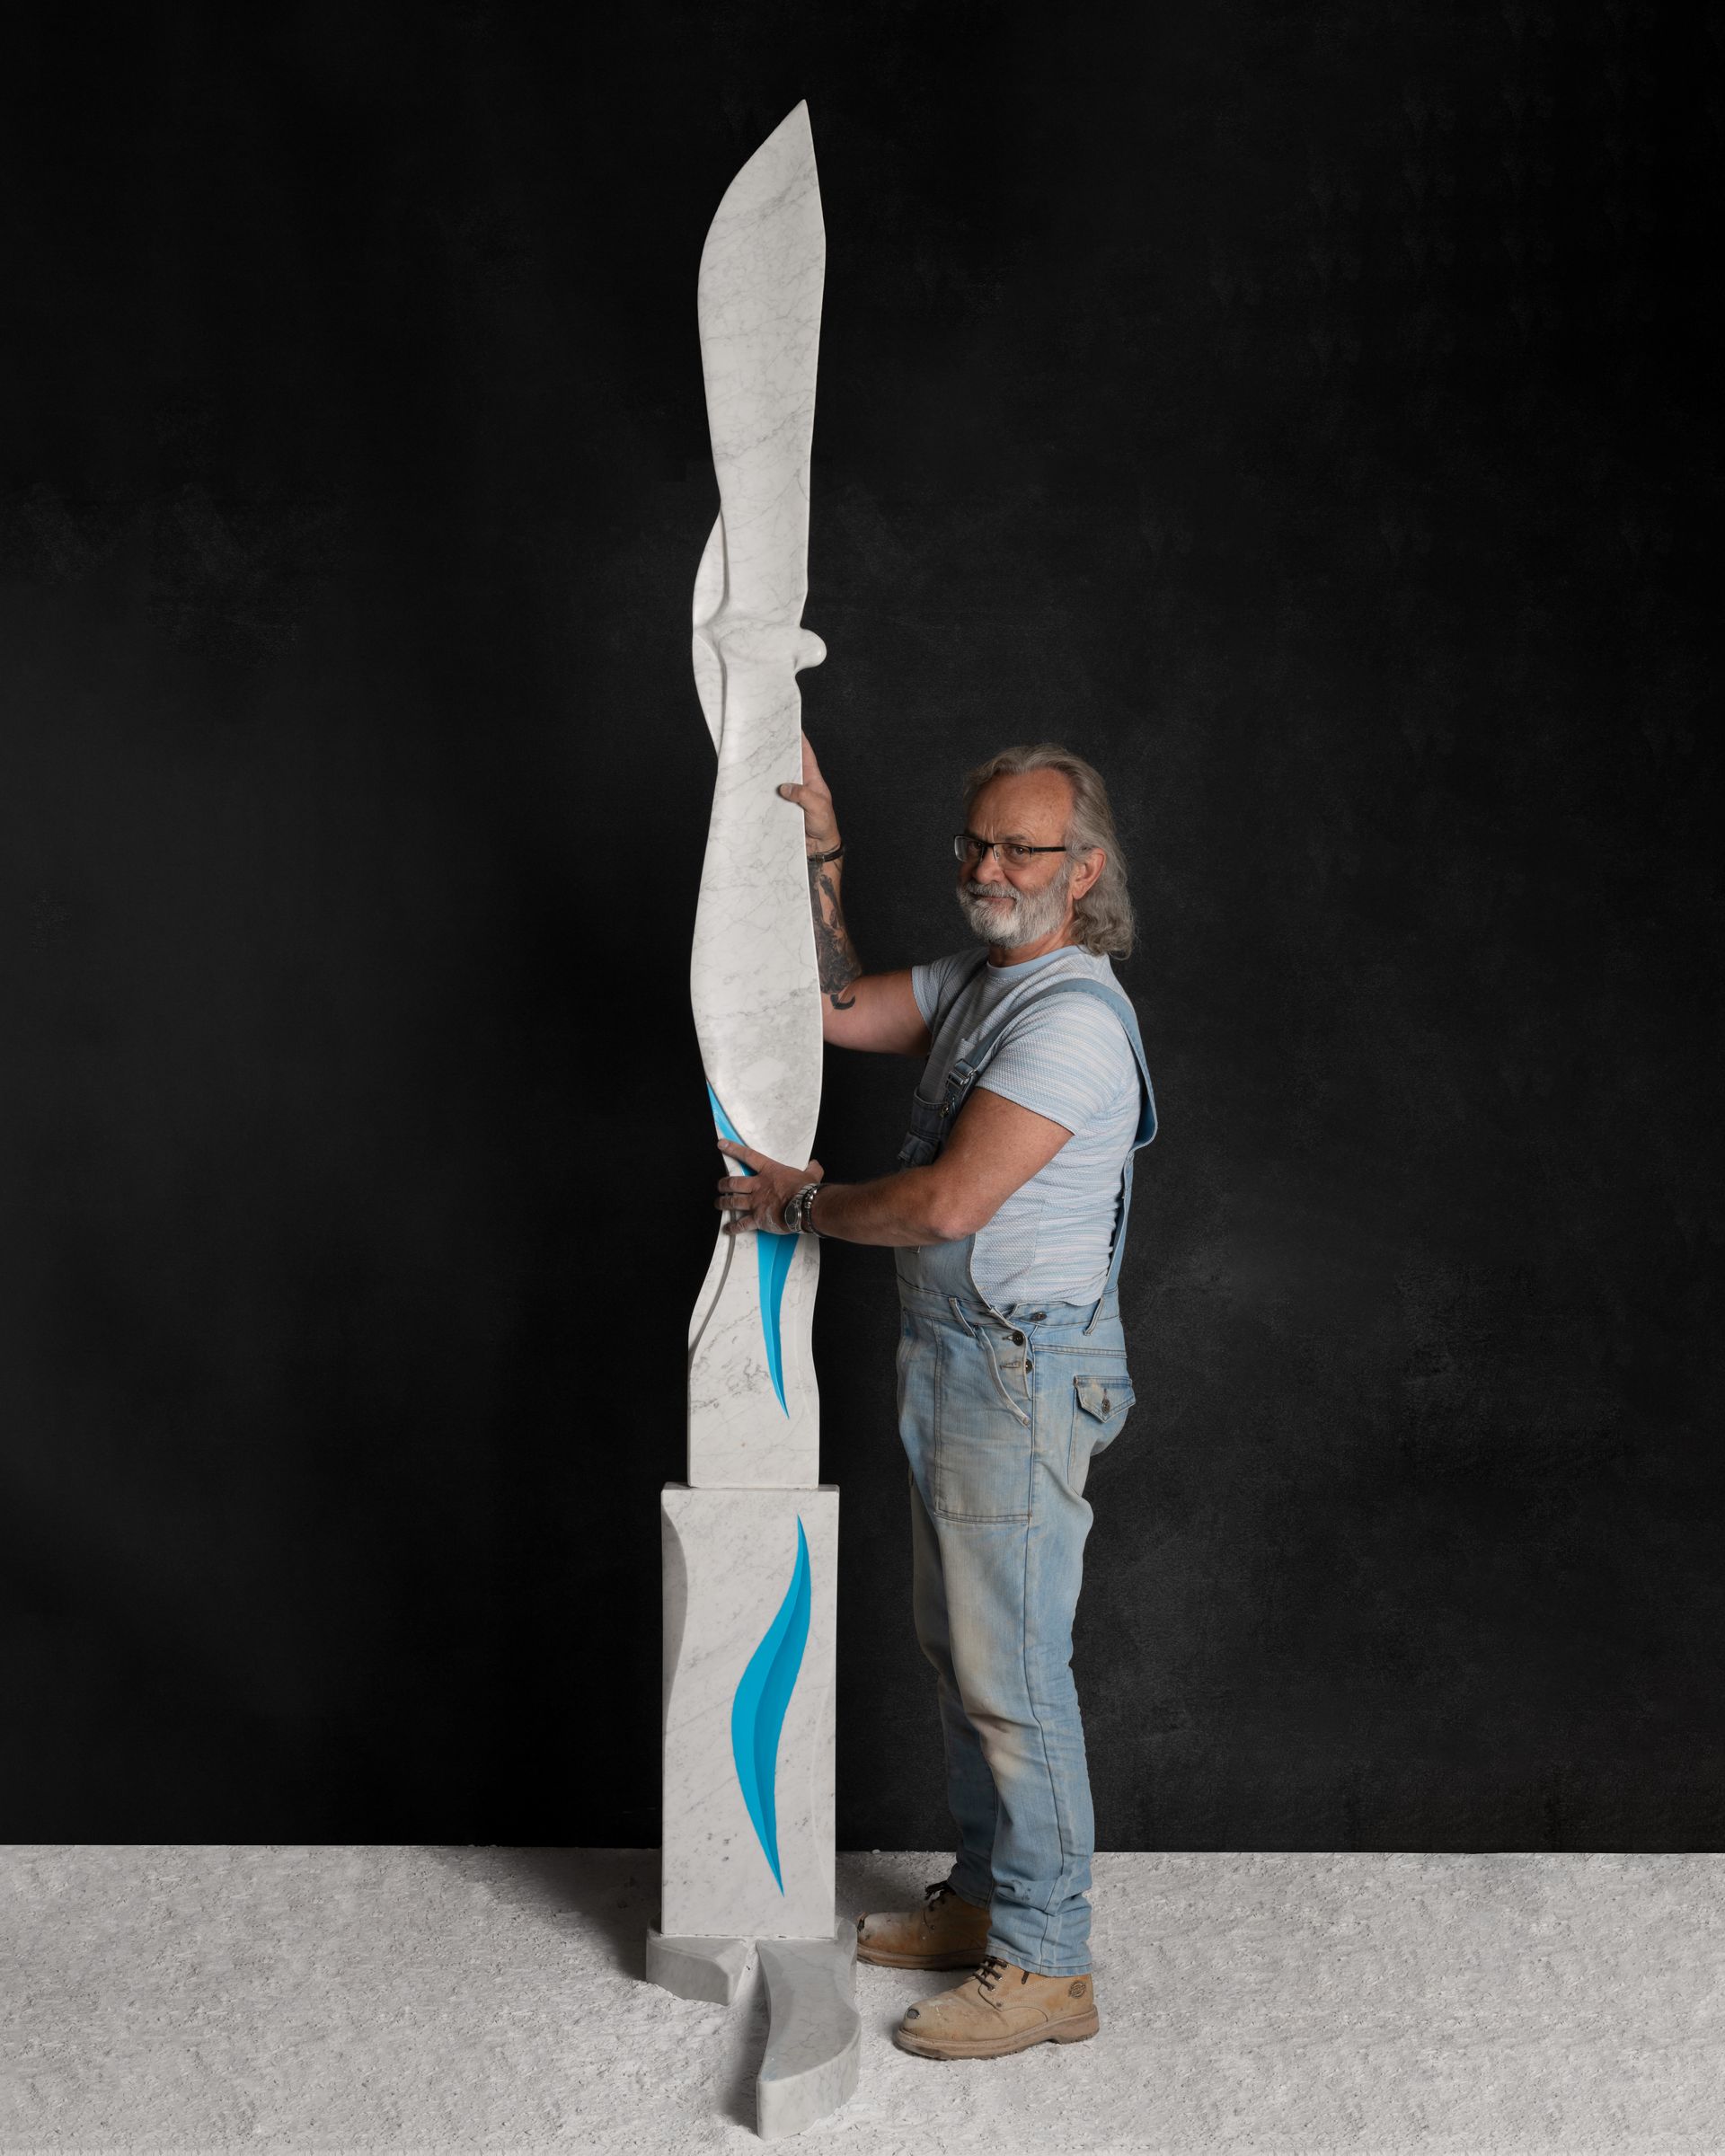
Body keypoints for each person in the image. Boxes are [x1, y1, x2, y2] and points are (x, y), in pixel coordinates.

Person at [712, 733, 1156, 2063]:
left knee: (1013, 1676)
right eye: (976, 842)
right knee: (964, 1659)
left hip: (1018, 1371)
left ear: (1082, 872)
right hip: (963, 1359)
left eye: (1022, 848)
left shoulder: (1073, 1020)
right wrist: (821, 848)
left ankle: (1049, 1962)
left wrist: (796, 1203)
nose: (988, 867)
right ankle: (986, 1905)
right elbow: (838, 1007)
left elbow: (949, 1202)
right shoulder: (981, 980)